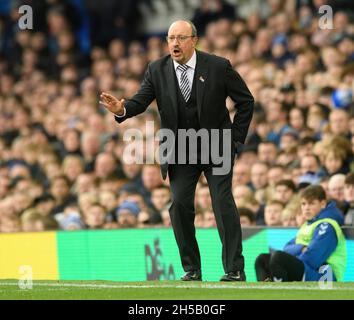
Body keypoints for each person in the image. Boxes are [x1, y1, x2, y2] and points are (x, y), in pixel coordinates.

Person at [100, 20, 254, 281]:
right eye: (171, 38)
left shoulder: (218, 66)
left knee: (221, 202)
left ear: (194, 40)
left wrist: (235, 139)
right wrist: (122, 110)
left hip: (216, 146)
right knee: (180, 206)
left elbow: (245, 101)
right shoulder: (157, 69)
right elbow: (140, 100)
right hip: (179, 149)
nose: (174, 43)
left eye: (181, 38)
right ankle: (192, 269)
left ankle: (234, 269)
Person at [255, 185, 346, 282]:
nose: (306, 208)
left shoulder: (327, 225)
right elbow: (287, 248)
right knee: (262, 259)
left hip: (324, 276)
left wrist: (292, 261)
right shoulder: (308, 224)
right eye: (303, 204)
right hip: (308, 269)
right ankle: (267, 290)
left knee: (279, 258)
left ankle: (280, 293)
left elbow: (313, 257)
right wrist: (301, 248)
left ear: (322, 204)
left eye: (311, 204)